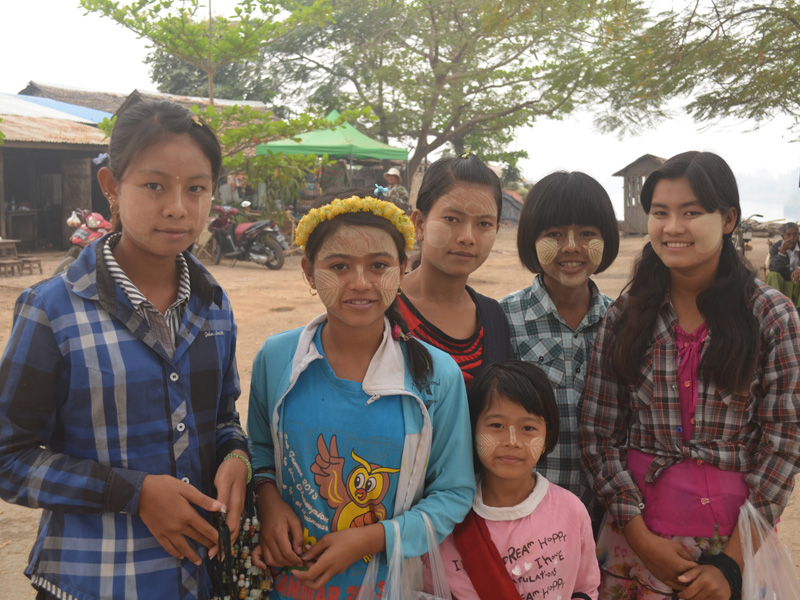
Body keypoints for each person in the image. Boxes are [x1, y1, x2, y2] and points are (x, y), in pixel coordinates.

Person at [0, 100, 250, 600]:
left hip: (196, 580)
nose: (178, 207)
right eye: (154, 185)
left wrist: (236, 457)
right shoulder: (52, 309)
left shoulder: (213, 307)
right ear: (111, 186)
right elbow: (9, 457)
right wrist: (132, 493)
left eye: (196, 188)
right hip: (92, 581)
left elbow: (222, 418)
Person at [580, 151, 800, 599]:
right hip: (636, 542)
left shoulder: (772, 317)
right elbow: (599, 434)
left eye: (691, 212)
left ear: (727, 219)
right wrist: (641, 538)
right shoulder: (626, 318)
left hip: (738, 541)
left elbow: (783, 443)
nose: (672, 227)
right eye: (660, 213)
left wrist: (730, 565)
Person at [247, 194, 475, 598]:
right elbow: (261, 449)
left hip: (391, 588)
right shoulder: (278, 357)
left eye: (379, 266)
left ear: (403, 269)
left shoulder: (437, 376)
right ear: (308, 272)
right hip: (288, 586)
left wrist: (372, 538)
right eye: (338, 266)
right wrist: (268, 500)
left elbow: (454, 492)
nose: (360, 282)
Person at [499, 171, 619, 526]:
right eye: (554, 234)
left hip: (609, 519)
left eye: (587, 233)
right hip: (526, 516)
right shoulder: (503, 319)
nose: (571, 247)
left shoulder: (624, 323)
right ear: (530, 239)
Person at [427, 360, 600, 600]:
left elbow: (585, 588)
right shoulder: (445, 516)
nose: (512, 441)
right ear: (470, 428)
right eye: (496, 425)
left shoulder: (571, 510)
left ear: (547, 437)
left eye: (528, 428)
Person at [399, 153, 512, 386]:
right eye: (452, 219)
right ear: (419, 223)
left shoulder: (493, 318)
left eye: (484, 224)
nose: (467, 237)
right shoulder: (383, 306)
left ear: (497, 229)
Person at [765, 221, 800, 307]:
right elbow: (773, 267)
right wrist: (782, 251)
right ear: (783, 236)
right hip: (781, 281)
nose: (792, 238)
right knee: (773, 275)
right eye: (788, 235)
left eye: (795, 235)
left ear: (798, 236)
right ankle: (776, 305)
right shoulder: (776, 247)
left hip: (797, 282)